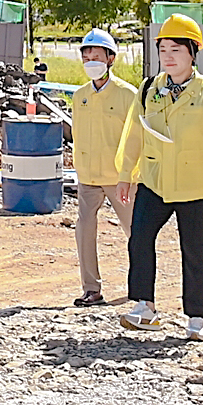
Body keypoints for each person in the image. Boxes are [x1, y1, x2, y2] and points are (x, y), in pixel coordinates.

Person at [115, 12, 203, 338]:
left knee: (197, 250)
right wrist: (125, 173)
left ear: (193, 53)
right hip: (154, 180)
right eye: (163, 50)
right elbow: (134, 132)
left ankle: (196, 319)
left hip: (198, 185)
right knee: (140, 238)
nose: (168, 57)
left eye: (176, 50)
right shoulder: (148, 89)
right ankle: (144, 306)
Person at [69, 28, 138, 308]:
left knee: (135, 232)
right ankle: (91, 289)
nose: (90, 62)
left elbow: (136, 138)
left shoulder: (128, 95)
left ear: (110, 58)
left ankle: (140, 288)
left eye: (96, 56)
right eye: (86, 57)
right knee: (84, 229)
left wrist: (130, 175)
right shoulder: (79, 95)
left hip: (120, 178)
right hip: (88, 177)